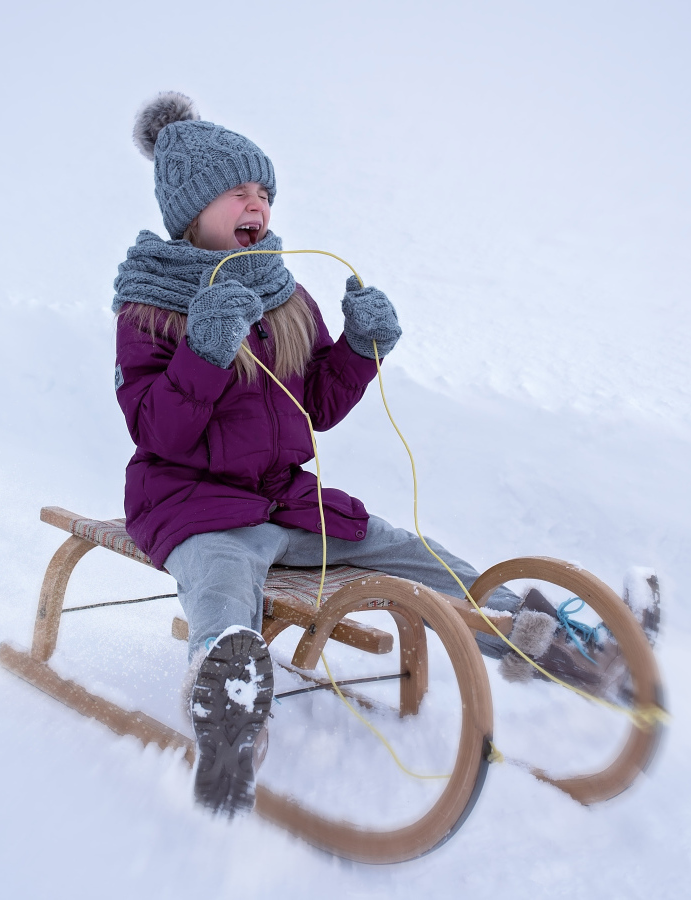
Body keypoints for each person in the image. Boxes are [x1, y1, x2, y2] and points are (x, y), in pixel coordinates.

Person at [110, 93, 608, 816]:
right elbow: (157, 431)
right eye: (237, 191)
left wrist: (359, 348)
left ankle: (545, 639)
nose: (257, 204)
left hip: (285, 502)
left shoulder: (284, 297)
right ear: (192, 209)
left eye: (264, 191)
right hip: (193, 507)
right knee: (221, 579)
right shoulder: (150, 307)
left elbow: (315, 405)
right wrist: (205, 349)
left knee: (408, 550)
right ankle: (228, 712)